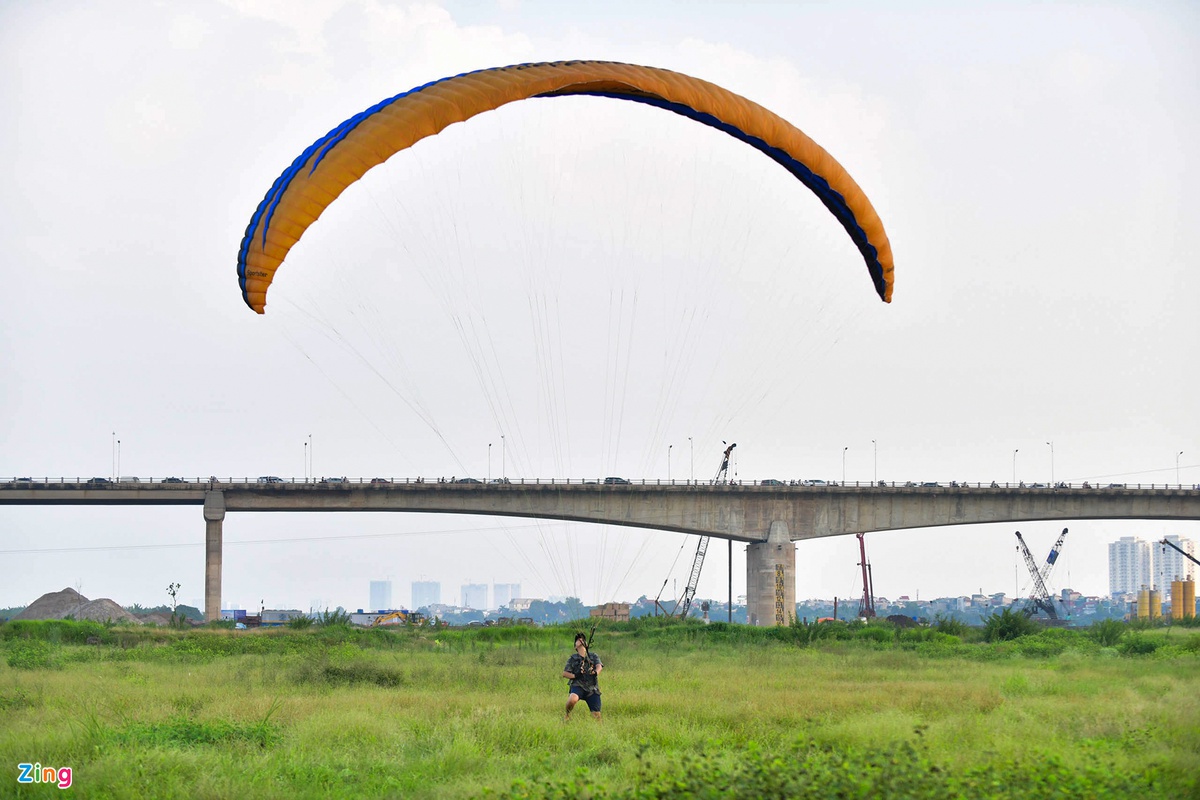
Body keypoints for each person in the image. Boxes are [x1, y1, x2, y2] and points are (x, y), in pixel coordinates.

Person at [562, 631, 603, 721]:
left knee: (597, 716)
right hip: (578, 685)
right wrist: (575, 675)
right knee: (572, 699)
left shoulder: (593, 656)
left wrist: (595, 672)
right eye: (577, 640)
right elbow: (565, 673)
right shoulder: (573, 658)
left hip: (592, 688)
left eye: (582, 639)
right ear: (575, 646)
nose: (580, 640)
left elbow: (599, 666)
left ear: (587, 644)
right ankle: (567, 715)